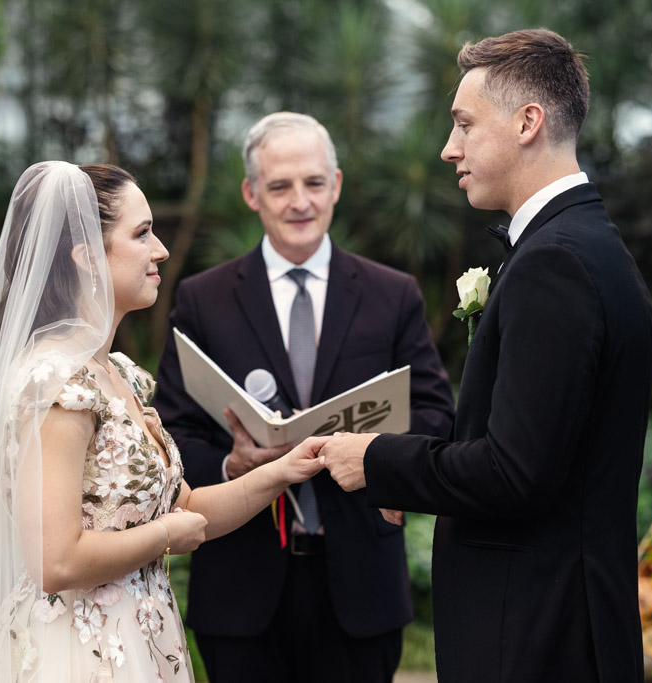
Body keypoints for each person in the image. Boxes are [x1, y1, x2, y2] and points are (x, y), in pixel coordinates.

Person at [0, 161, 326, 683]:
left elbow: (184, 504)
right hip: (76, 651)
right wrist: (165, 534)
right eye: (142, 234)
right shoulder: (58, 384)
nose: (161, 250)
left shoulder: (117, 373)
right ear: (87, 258)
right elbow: (56, 560)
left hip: (142, 640)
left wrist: (283, 471)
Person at [320, 29, 652, 682]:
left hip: (535, 635)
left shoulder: (553, 264)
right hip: (570, 623)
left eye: (464, 124)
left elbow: (515, 472)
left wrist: (376, 459)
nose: (450, 149)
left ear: (528, 121)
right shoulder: (591, 246)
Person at [153, 112, 455, 682]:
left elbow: (436, 413)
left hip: (361, 584)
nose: (300, 201)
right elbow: (167, 437)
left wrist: (373, 454)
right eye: (279, 186)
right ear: (251, 194)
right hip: (241, 587)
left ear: (336, 185)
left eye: (314, 183)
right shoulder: (203, 299)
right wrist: (229, 463)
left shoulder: (393, 295)